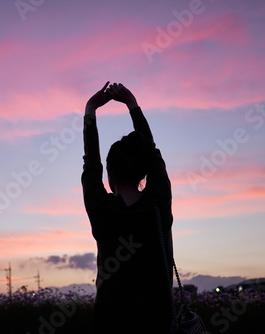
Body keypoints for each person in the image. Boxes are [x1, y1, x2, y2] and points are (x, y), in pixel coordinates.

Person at [82, 82, 174, 333]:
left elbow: (91, 163)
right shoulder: (158, 202)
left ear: (108, 176)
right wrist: (132, 105)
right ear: (143, 172)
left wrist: (91, 109)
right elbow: (152, 153)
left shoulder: (100, 207)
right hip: (158, 321)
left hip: (109, 321)